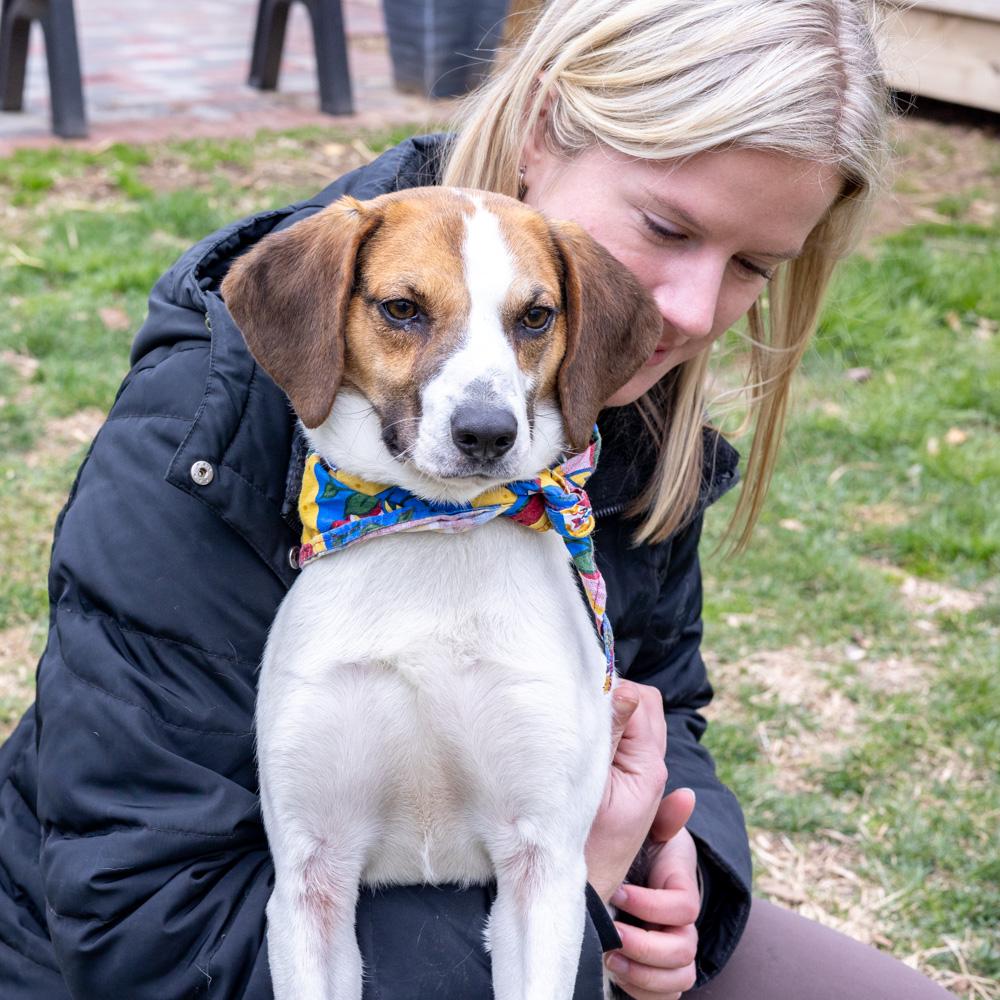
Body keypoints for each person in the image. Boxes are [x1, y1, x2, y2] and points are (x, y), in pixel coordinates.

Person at [0, 1, 959, 998]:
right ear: (543, 129)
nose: (687, 306)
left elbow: (659, 698)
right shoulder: (217, 412)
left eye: (752, 265)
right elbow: (145, 912)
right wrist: (572, 890)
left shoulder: (596, 369)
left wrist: (682, 866)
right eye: (667, 226)